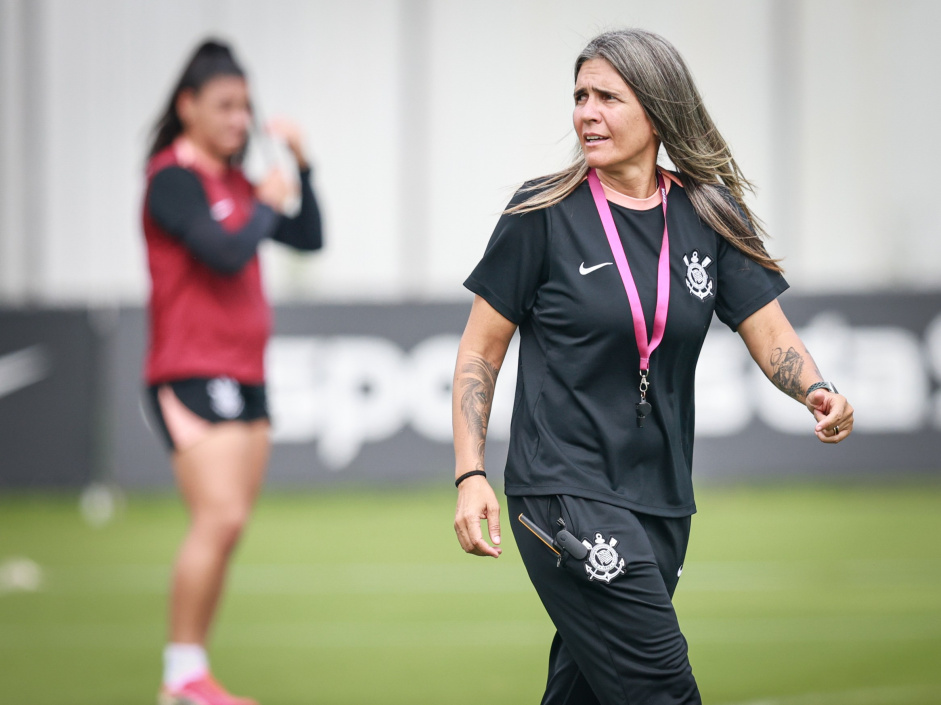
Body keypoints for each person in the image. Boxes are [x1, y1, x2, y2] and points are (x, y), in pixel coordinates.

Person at [451, 29, 854, 705]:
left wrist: (814, 387)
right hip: (563, 491)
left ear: (656, 108)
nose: (586, 111)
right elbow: (479, 351)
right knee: (661, 690)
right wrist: (469, 472)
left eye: (606, 96)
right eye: (579, 95)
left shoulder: (707, 212)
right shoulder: (540, 212)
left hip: (662, 499)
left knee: (583, 693)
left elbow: (768, 331)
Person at [141, 40, 322, 705]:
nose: (238, 119)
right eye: (224, 105)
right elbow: (221, 251)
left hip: (245, 370)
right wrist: (268, 204)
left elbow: (309, 237)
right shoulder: (172, 179)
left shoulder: (237, 181)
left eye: (244, 107)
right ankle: (181, 674)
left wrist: (302, 165)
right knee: (216, 516)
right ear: (187, 106)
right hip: (190, 368)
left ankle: (189, 672)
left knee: (232, 521)